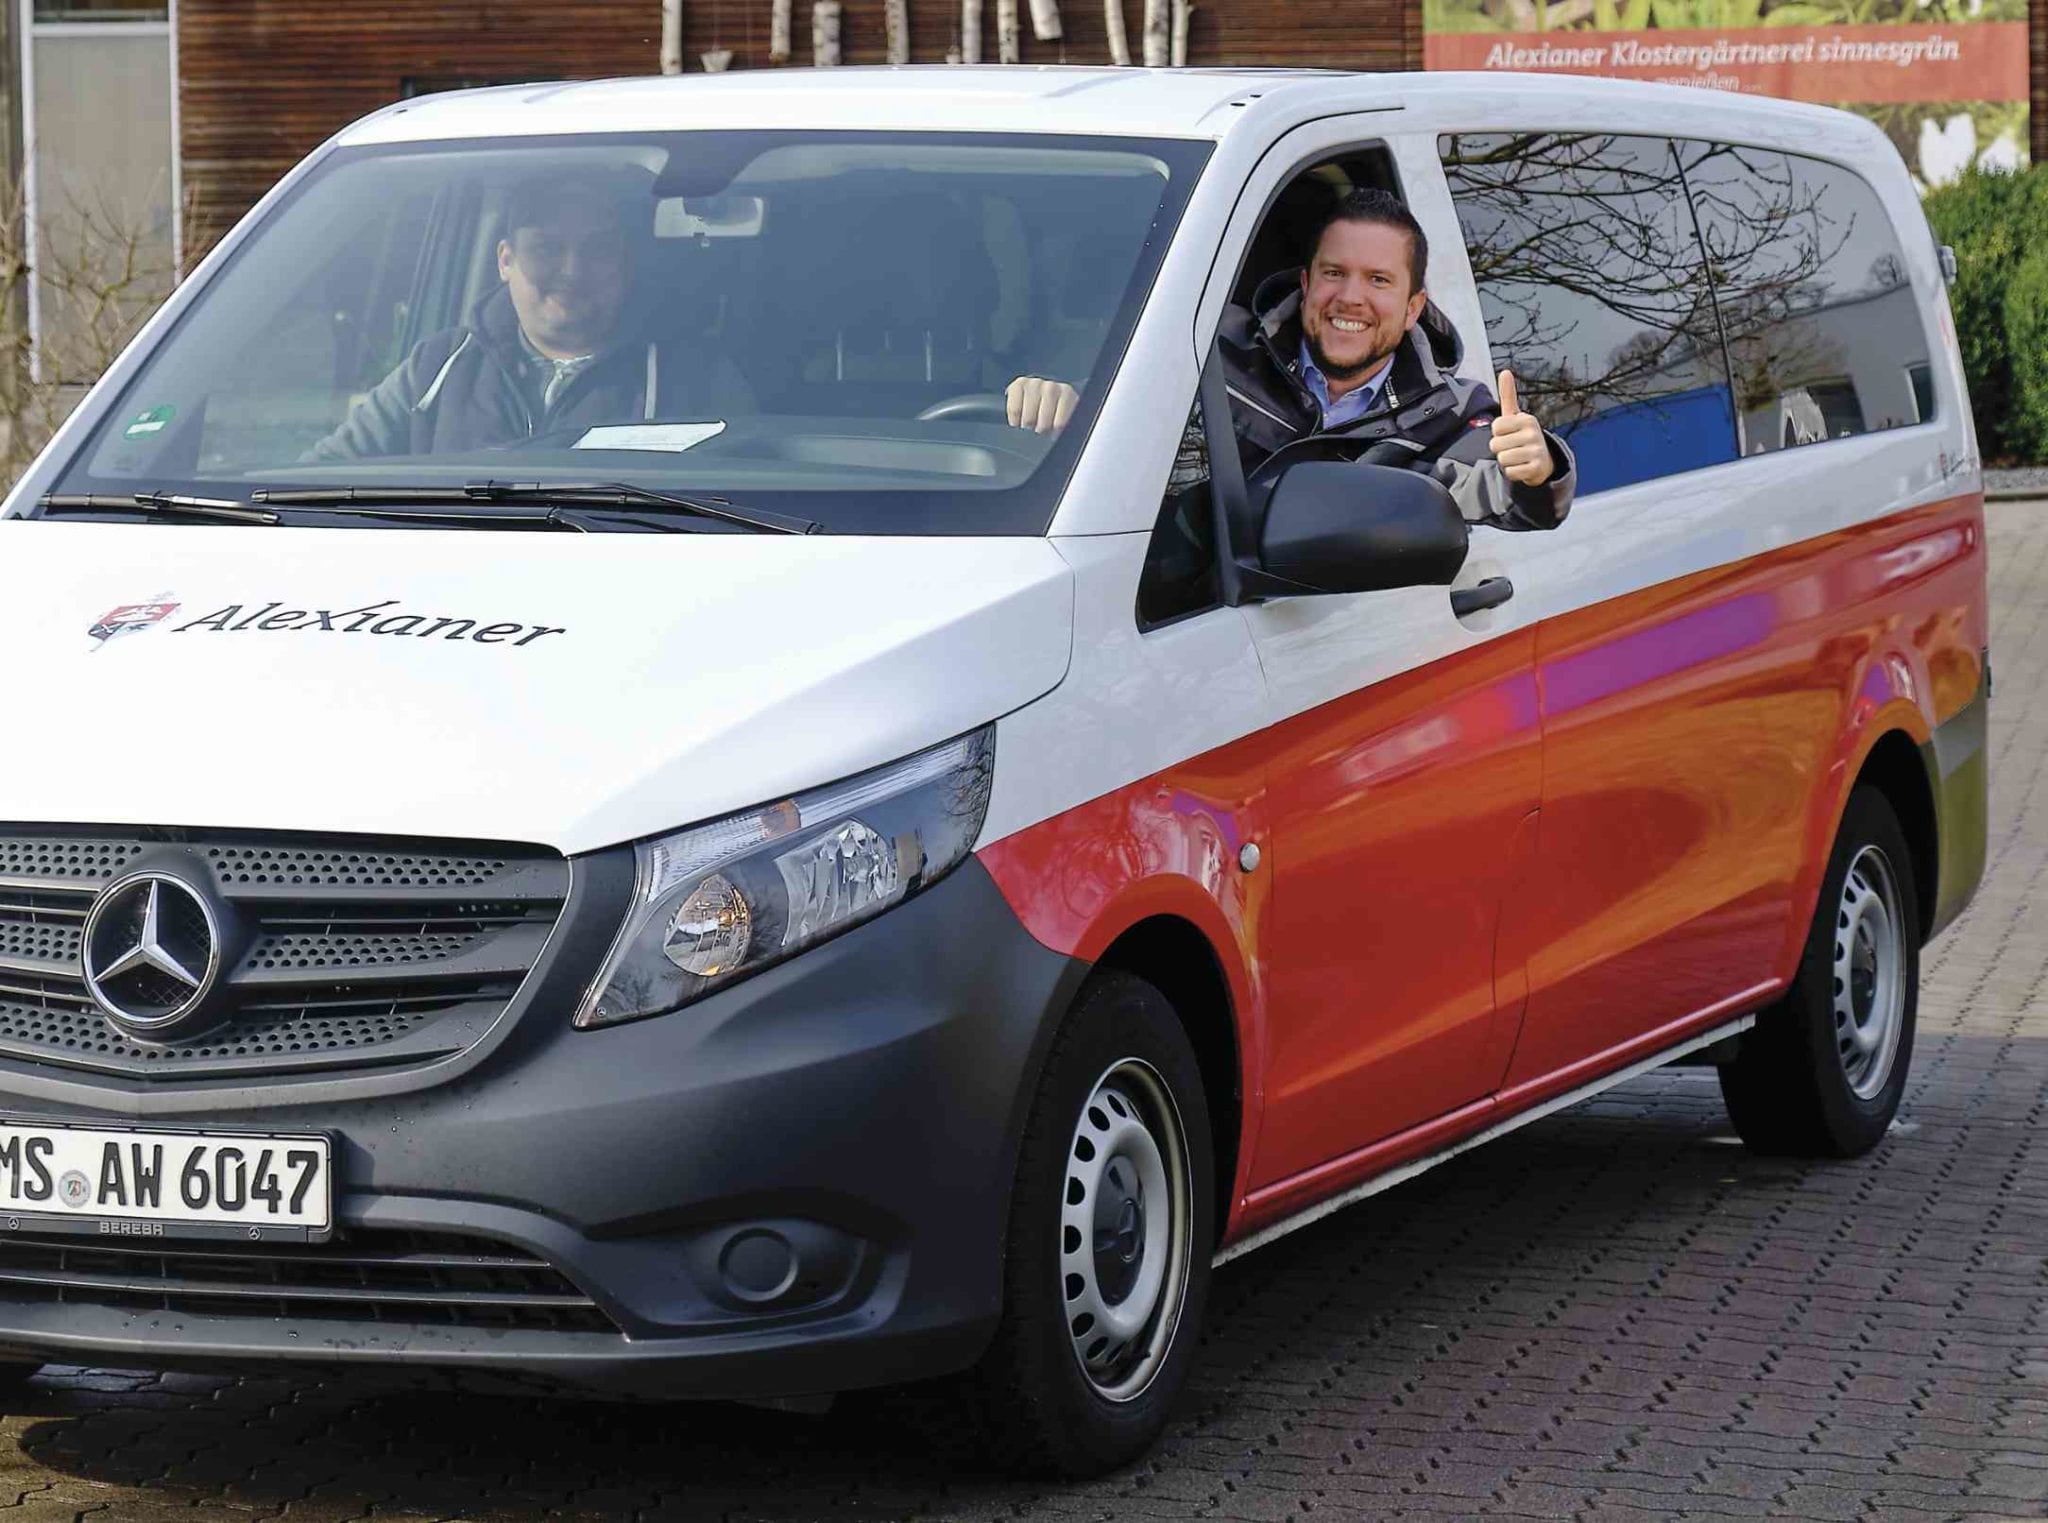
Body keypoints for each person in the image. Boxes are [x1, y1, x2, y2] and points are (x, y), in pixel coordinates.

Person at [1006, 187, 1574, 532]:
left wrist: (1537, 470)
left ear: (1412, 307)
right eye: (1334, 273)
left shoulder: (1454, 412)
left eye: (1378, 280)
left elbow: (1510, 500)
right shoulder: (1209, 350)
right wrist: (1070, 407)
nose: (1350, 297)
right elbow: (1129, 414)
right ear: (1306, 282)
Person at [306, 176, 753, 462]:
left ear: (624, 263)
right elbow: (322, 476)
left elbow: (745, 503)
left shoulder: (696, 379)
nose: (571, 270)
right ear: (505, 260)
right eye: (546, 248)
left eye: (596, 250)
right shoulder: (436, 368)